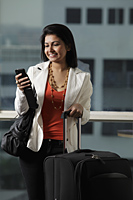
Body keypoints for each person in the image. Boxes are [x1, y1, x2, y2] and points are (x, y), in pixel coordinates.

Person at [15, 24, 93, 200]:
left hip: (64, 148)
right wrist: (21, 90)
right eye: (46, 45)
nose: (50, 49)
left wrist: (80, 109)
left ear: (68, 46)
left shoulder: (82, 78)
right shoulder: (35, 72)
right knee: (36, 196)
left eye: (55, 44)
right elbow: (21, 110)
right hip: (34, 146)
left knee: (61, 196)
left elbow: (86, 116)